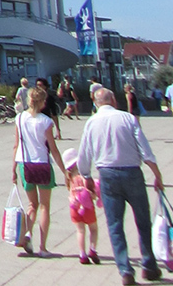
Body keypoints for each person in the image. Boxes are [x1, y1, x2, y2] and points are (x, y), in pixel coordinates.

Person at [77, 85, 165, 285]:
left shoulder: (91, 123)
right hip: (132, 172)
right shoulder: (127, 118)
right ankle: (149, 265)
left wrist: (86, 176)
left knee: (115, 224)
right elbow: (145, 150)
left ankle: (125, 270)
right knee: (142, 220)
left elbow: (84, 154)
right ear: (114, 101)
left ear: (95, 103)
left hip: (107, 175)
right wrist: (157, 174)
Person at [12, 85, 69, 256]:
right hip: (42, 164)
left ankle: (28, 234)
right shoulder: (46, 122)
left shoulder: (19, 119)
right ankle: (43, 247)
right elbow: (53, 149)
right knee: (45, 206)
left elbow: (16, 145)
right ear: (43, 102)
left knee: (32, 204)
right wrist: (65, 172)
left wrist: (13, 169)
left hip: (25, 164)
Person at [63, 148, 101, 265]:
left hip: (74, 207)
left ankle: (82, 254)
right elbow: (91, 194)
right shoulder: (84, 178)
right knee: (93, 229)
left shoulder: (69, 179)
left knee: (80, 231)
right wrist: (95, 195)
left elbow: (71, 192)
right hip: (87, 208)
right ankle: (93, 250)